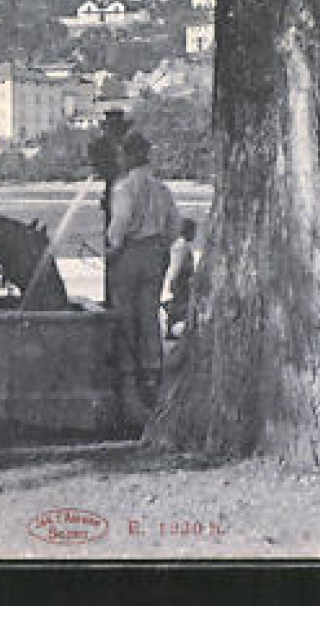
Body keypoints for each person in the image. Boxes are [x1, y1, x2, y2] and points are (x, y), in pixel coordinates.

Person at [105, 129, 181, 426]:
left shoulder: (124, 188)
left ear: (131, 156)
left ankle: (128, 376)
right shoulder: (162, 189)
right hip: (155, 254)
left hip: (131, 254)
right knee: (149, 315)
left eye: (124, 154)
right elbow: (175, 225)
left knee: (125, 315)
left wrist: (113, 247)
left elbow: (120, 222)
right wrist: (161, 242)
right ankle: (152, 372)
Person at [87, 109, 133, 272]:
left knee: (116, 248)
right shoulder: (121, 147)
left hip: (118, 199)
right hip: (115, 199)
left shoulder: (119, 148)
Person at [163, 217, 199, 339]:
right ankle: (172, 329)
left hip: (182, 280)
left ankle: (174, 328)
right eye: (194, 231)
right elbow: (176, 265)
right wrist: (173, 280)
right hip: (180, 280)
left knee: (180, 305)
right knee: (179, 305)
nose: (195, 235)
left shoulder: (182, 245)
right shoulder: (181, 246)